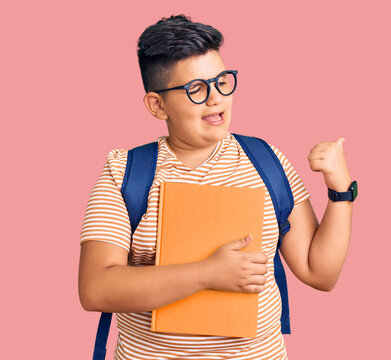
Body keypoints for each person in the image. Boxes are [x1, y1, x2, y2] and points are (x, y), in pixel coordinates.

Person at [78, 14, 356, 359]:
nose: (216, 99)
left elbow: (320, 273)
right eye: (195, 89)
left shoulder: (266, 160)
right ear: (157, 104)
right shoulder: (125, 172)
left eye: (222, 81)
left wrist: (341, 190)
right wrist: (208, 273)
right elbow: (95, 289)